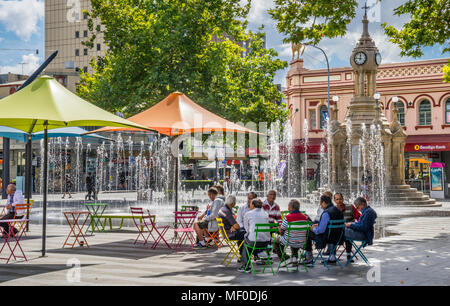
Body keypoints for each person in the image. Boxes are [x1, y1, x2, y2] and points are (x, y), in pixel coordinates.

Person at [305, 195, 344, 264]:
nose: (321, 206)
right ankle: (332, 256)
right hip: (339, 237)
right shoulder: (338, 210)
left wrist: (313, 229)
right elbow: (332, 224)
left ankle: (309, 257)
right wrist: (318, 224)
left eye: (321, 204)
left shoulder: (326, 213)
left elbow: (321, 230)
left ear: (323, 202)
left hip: (327, 238)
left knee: (307, 233)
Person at [273, 199, 309, 265]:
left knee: (275, 241)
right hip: (302, 242)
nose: (288, 208)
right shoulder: (305, 217)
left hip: (290, 241)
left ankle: (284, 259)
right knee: (294, 237)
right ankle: (294, 258)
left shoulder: (288, 217)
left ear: (292, 208)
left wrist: (279, 228)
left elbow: (281, 232)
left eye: (289, 207)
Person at [239, 199, 271, 273]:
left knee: (246, 241)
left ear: (253, 205)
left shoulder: (248, 214)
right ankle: (258, 254)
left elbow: (247, 229)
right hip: (266, 242)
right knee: (251, 238)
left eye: (250, 204)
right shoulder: (266, 213)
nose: (249, 205)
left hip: (255, 242)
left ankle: (245, 266)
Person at [334, 193, 361, 262]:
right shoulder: (333, 210)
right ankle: (332, 255)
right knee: (331, 233)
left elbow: (359, 217)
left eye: (340, 199)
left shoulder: (350, 207)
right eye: (337, 199)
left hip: (348, 230)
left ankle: (349, 254)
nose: (339, 201)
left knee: (348, 231)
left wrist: (356, 225)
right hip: (337, 231)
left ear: (343, 199)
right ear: (334, 201)